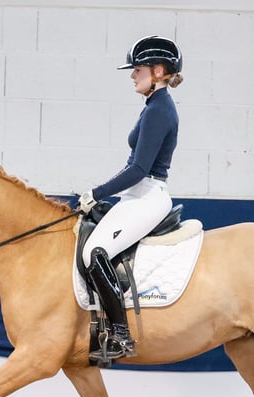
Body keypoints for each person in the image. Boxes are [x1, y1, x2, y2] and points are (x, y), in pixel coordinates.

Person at [77, 36, 184, 362]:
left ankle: (120, 336)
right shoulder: (153, 107)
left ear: (159, 71)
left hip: (149, 195)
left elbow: (138, 168)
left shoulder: (159, 110)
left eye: (137, 69)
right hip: (138, 195)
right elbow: (132, 167)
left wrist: (95, 193)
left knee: (96, 253)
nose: (132, 75)